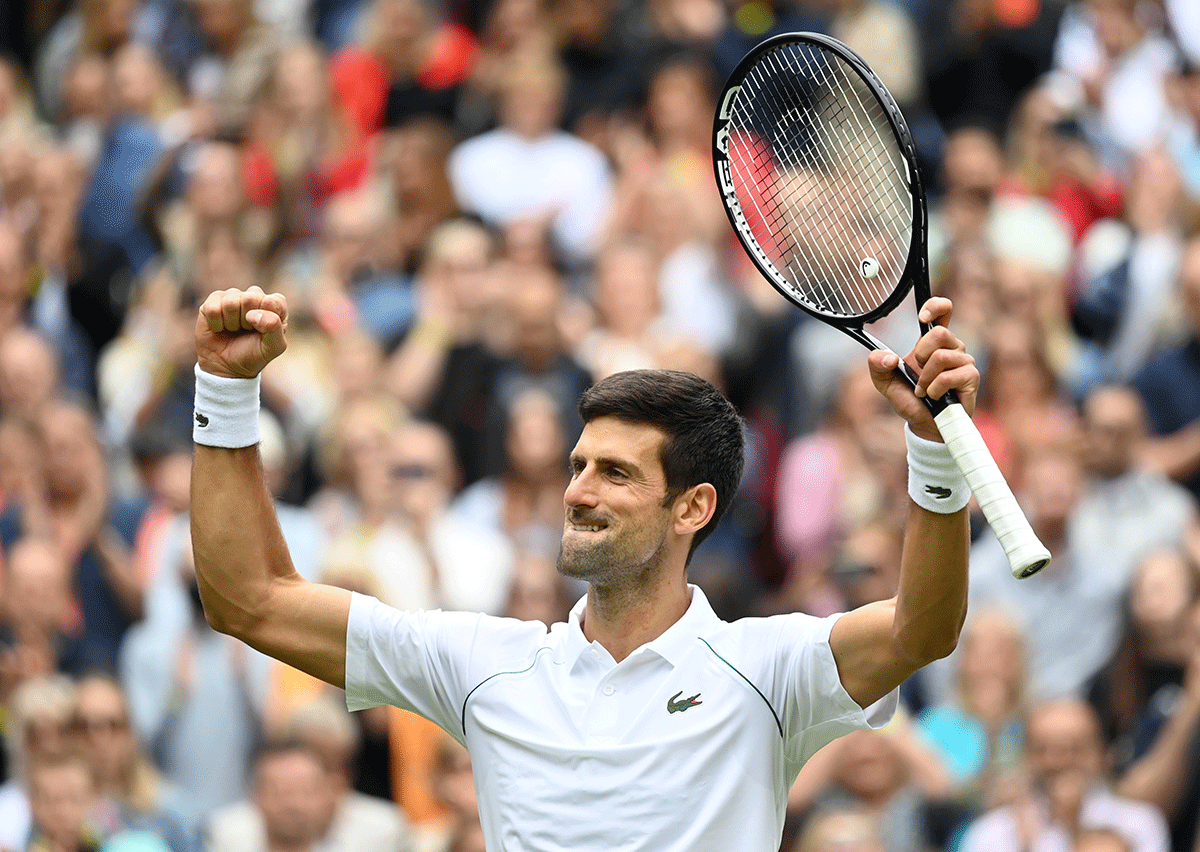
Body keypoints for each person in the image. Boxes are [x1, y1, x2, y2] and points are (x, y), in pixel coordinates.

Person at [188, 284, 979, 851]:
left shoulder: (768, 672)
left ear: (692, 508)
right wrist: (226, 390)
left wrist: (931, 452)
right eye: (578, 465)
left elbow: (924, 626)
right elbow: (249, 601)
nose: (578, 492)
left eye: (616, 473)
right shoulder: (485, 666)